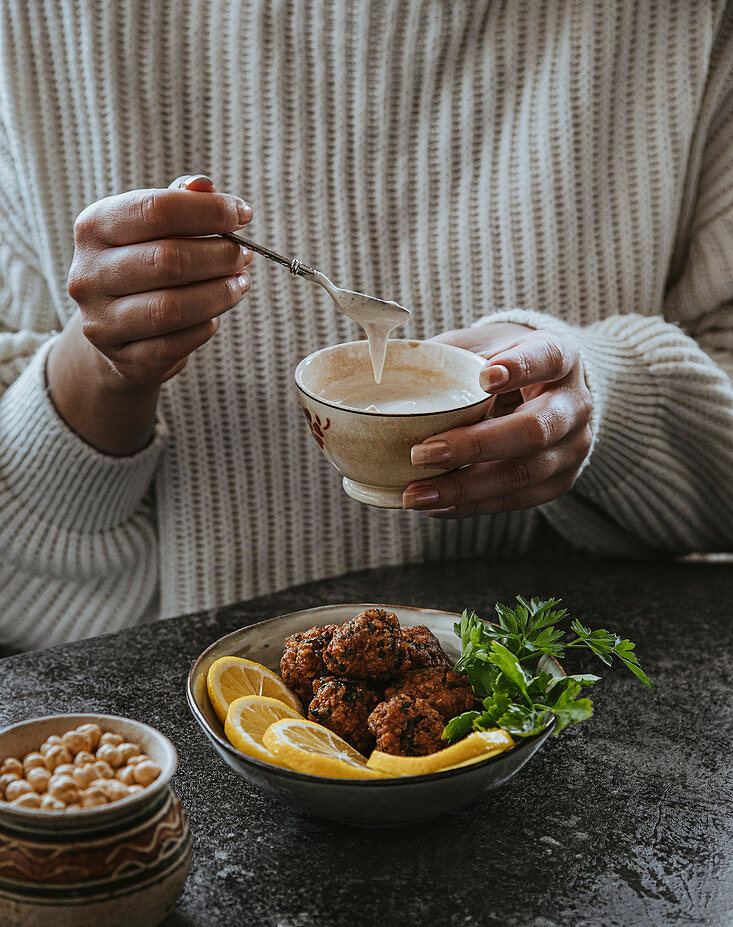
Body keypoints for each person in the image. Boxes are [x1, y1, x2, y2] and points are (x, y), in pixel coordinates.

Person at [0, 0, 731, 651]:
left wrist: (602, 405)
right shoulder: (43, 23)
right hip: (213, 710)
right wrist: (102, 366)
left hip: (556, 700)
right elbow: (16, 572)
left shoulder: (681, 22)